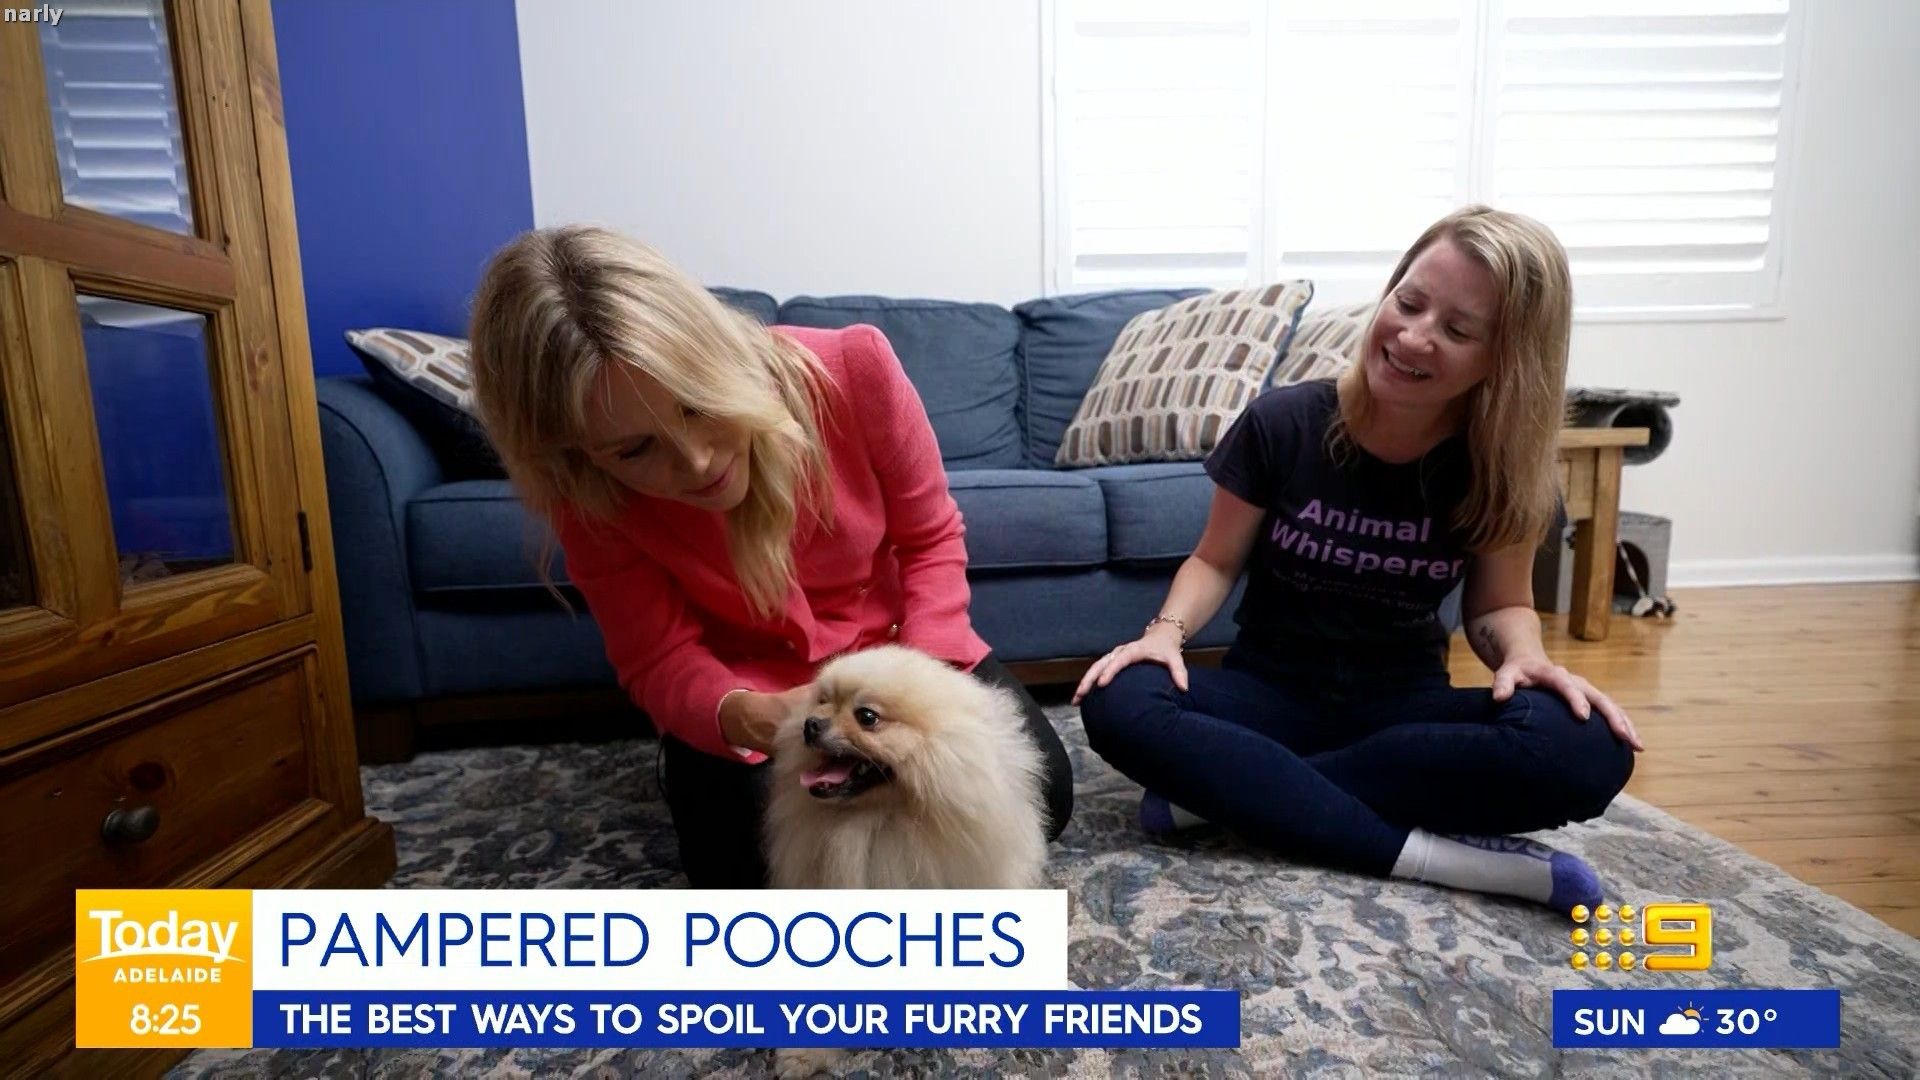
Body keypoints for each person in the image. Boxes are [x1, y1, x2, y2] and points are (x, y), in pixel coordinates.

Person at [1074, 205, 1640, 914]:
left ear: (1505, 359)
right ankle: (1438, 858)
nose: (1413, 336)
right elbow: (1214, 562)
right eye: (1409, 302)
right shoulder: (1283, 422)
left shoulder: (1501, 463)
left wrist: (1525, 656)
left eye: (1458, 330)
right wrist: (1164, 635)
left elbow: (1499, 605)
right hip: (1266, 694)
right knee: (1119, 698)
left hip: (1403, 709)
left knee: (1589, 749)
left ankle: (1228, 794)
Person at [465, 225, 1073, 886]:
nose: (697, 462)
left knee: (1043, 797)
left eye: (697, 405)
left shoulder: (856, 369)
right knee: (744, 873)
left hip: (901, 654)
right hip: (746, 686)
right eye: (635, 450)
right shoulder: (585, 497)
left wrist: (920, 687)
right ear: (575, 455)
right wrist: (738, 713)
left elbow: (929, 539)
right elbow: (658, 657)